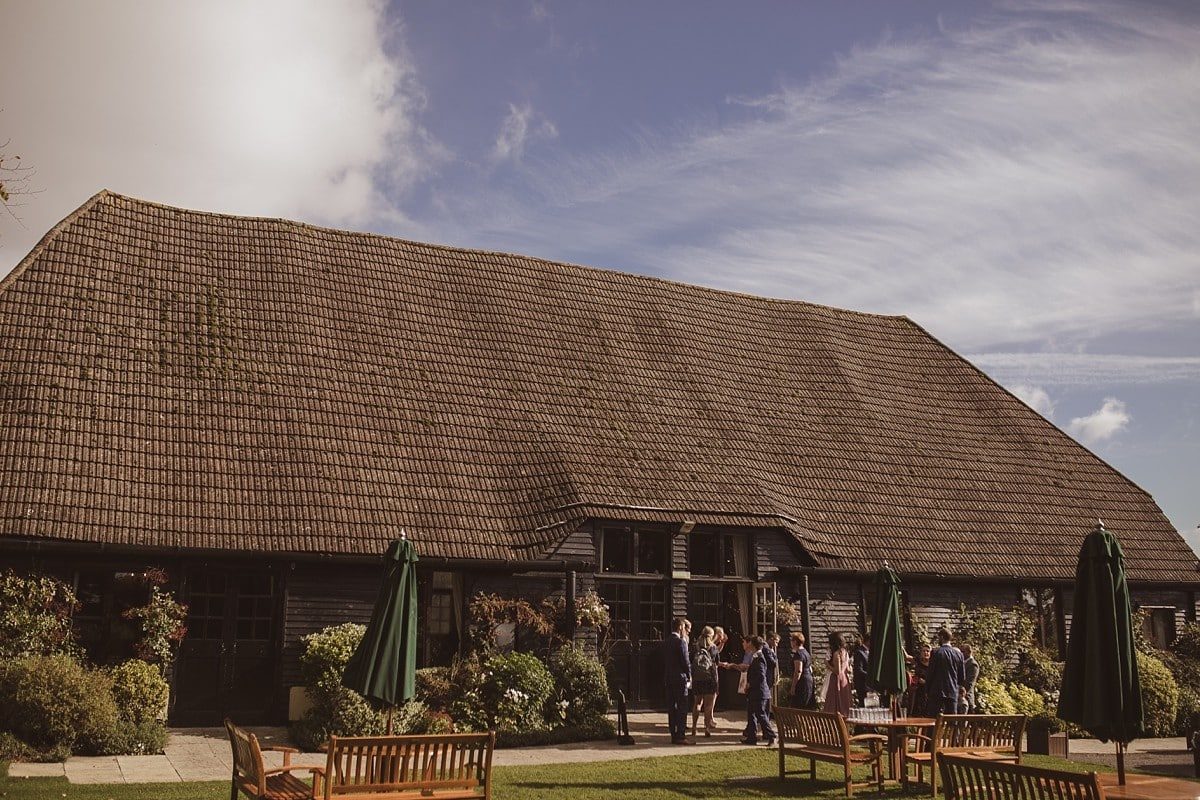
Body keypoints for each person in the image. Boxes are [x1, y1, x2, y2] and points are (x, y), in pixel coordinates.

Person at [924, 627, 966, 718]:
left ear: (942, 637)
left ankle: (933, 733)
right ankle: (954, 733)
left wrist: (927, 690)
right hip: (952, 691)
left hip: (937, 691)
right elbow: (962, 677)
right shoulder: (959, 654)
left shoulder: (936, 652)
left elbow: (930, 673)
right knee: (952, 720)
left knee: (932, 719)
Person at [663, 617, 692, 744]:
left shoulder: (667, 641)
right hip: (680, 678)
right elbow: (685, 661)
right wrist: (689, 675)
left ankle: (673, 734)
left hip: (669, 678)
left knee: (671, 707)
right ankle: (681, 735)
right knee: (682, 707)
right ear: (680, 627)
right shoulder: (681, 642)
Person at [690, 626, 720, 737]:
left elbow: (691, 660)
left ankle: (694, 727)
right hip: (710, 679)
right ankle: (707, 728)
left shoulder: (695, 646)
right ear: (711, 636)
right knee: (708, 706)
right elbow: (716, 663)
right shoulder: (713, 648)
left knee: (697, 703)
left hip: (698, 679)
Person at [822, 632, 853, 716]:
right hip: (844, 679)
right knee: (844, 700)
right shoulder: (845, 652)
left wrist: (827, 664)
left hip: (836, 680)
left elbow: (837, 671)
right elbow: (848, 669)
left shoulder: (836, 654)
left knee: (834, 702)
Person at [790, 632, 813, 707]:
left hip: (802, 681)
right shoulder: (806, 652)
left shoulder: (798, 654)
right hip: (808, 678)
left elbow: (798, 671)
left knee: (798, 704)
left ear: (795, 642)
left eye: (791, 640)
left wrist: (793, 686)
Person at [909, 644, 931, 715]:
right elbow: (907, 657)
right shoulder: (918, 661)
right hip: (917, 691)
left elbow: (937, 679)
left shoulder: (933, 664)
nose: (926, 653)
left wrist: (925, 682)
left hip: (928, 691)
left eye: (927, 651)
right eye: (924, 651)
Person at [852, 632, 871, 706]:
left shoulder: (870, 652)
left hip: (870, 686)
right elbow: (858, 670)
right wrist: (871, 675)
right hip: (863, 685)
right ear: (868, 641)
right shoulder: (859, 652)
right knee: (864, 706)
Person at [960, 643, 979, 713]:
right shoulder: (962, 663)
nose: (961, 654)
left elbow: (969, 682)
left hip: (967, 697)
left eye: (963, 652)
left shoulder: (973, 664)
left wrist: (960, 692)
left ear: (969, 652)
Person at [763, 631, 780, 709]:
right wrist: (774, 656)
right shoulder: (766, 649)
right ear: (771, 639)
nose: (777, 644)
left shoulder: (769, 648)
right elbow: (772, 662)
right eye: (776, 642)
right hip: (767, 675)